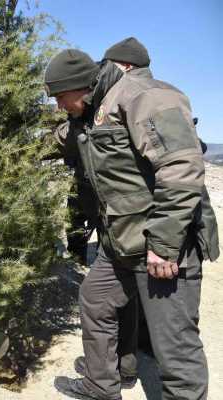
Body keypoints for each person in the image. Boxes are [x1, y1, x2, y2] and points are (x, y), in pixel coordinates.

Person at [46, 44, 219, 400]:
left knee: (174, 346)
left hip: (162, 246)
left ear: (81, 84)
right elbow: (61, 139)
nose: (59, 106)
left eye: (61, 97)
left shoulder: (145, 96)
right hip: (121, 241)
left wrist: (164, 245)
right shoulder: (93, 109)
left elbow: (182, 169)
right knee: (96, 300)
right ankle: (102, 386)